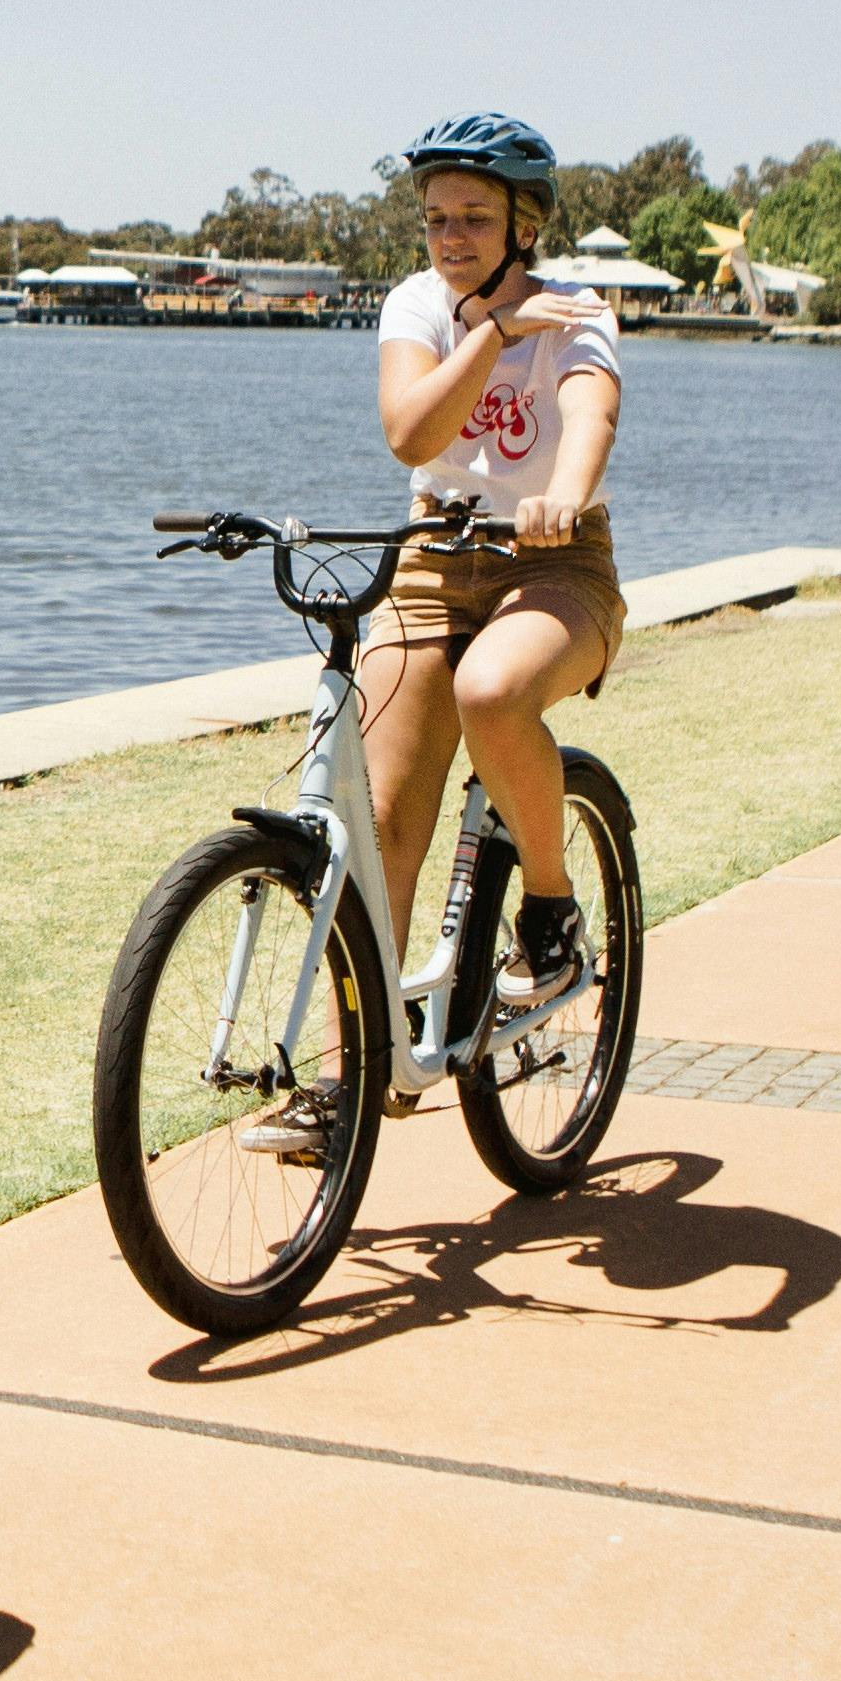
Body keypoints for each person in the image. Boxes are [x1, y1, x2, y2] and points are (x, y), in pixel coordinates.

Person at [361, 113, 624, 1017]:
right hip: (434, 558)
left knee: (491, 692)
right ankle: (348, 1075)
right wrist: (494, 334)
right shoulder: (418, 306)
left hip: (555, 563)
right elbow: (411, 435)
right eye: (436, 218)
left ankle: (549, 907)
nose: (450, 238)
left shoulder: (579, 310)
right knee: (383, 819)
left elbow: (591, 417)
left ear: (526, 225)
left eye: (473, 216)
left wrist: (567, 492)